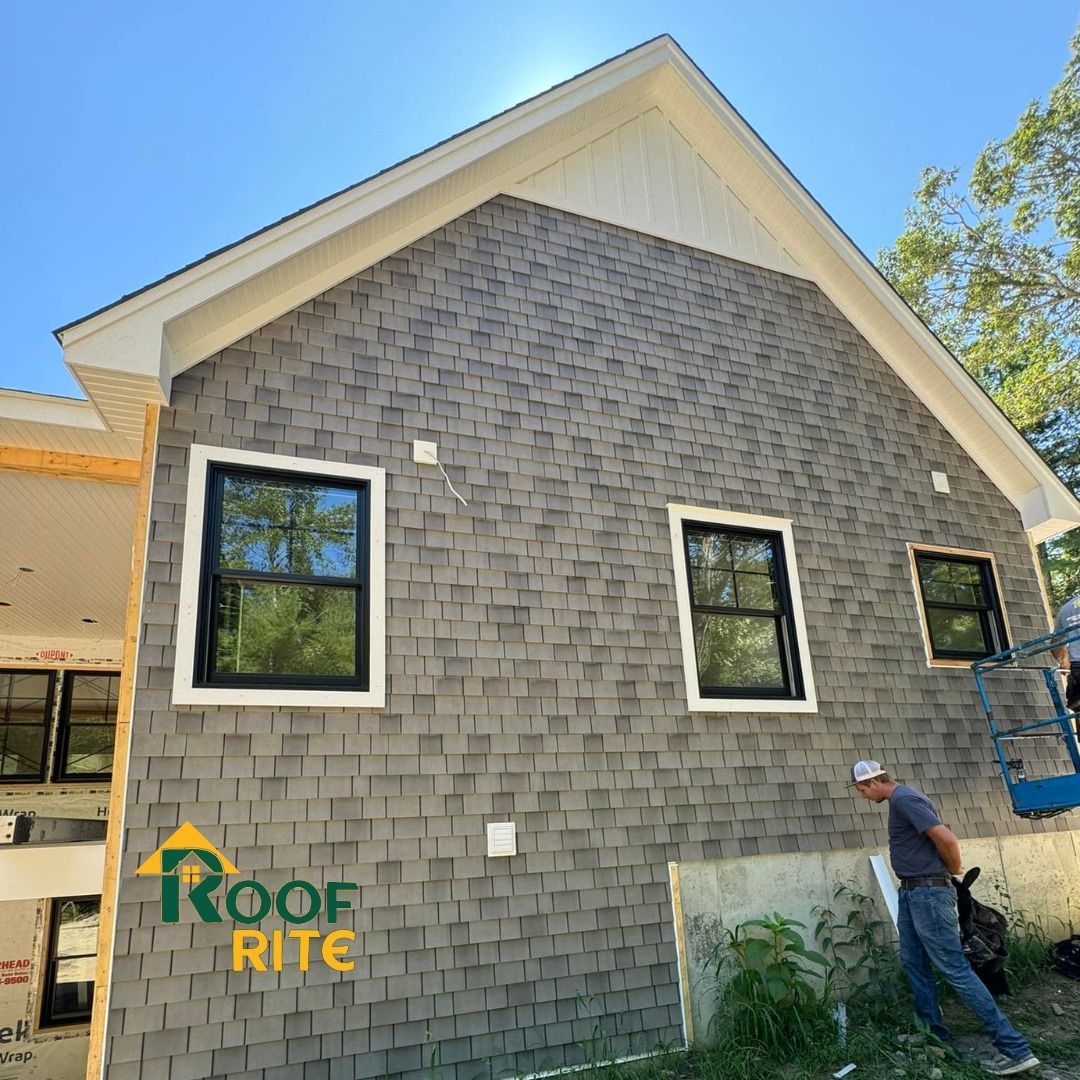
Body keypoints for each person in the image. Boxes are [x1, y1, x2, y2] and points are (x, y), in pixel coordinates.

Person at [851, 760, 1038, 1076]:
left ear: (870, 783)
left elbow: (947, 839)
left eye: (861, 791)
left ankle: (1014, 1048)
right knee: (913, 961)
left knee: (954, 967)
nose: (863, 797)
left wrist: (953, 869)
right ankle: (931, 1032)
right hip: (911, 892)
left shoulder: (904, 799)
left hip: (927, 893)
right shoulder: (900, 802)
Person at [1052, 592, 1080, 713]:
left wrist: (1064, 662)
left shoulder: (1066, 609)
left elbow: (1056, 644)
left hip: (1077, 668)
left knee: (1078, 706)